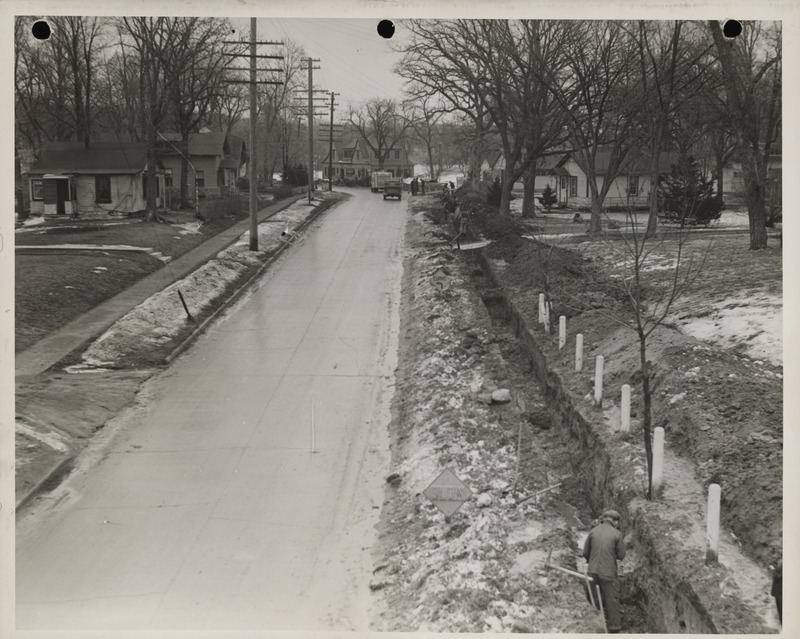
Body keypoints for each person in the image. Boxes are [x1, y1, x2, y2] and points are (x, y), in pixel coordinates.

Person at [583, 510, 626, 633]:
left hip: (592, 572)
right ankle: (614, 628)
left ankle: (595, 626)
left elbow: (585, 552)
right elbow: (621, 555)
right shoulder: (617, 534)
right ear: (615, 521)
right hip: (608, 573)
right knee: (612, 600)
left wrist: (592, 561)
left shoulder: (593, 531)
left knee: (593, 600)